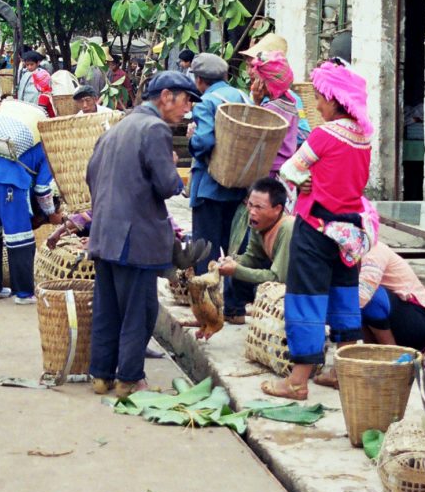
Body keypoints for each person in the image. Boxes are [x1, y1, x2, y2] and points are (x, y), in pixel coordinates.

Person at [264, 60, 373, 401]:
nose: (319, 105)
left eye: (321, 98)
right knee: (343, 295)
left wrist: (303, 181)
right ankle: (342, 370)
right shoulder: (364, 136)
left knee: (306, 299)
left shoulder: (324, 135)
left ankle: (297, 381)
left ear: (334, 98)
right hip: (349, 232)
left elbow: (290, 170)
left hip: (316, 227)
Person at [86, 71, 199, 398]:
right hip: (135, 237)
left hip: (106, 233)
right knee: (140, 308)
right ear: (166, 96)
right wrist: (175, 165)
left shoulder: (117, 127)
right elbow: (167, 185)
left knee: (107, 306)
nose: (187, 108)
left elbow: (90, 174)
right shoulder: (154, 129)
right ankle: (128, 379)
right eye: (185, 99)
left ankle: (101, 375)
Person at [0, 99, 61, 303]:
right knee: (20, 237)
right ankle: (24, 293)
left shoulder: (2, 138)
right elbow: (42, 189)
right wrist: (51, 213)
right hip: (8, 184)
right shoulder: (43, 147)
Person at [188, 53, 248, 271]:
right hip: (239, 186)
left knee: (205, 254)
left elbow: (204, 140)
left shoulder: (206, 102)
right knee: (236, 250)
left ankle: (208, 300)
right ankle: (237, 302)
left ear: (200, 81)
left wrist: (191, 141)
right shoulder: (244, 97)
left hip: (209, 188)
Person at [217, 176, 294, 322]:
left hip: (300, 288)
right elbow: (253, 257)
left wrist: (237, 270)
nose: (252, 211)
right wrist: (233, 261)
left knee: (257, 285)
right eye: (250, 205)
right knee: (235, 277)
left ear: (277, 209)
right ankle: (237, 312)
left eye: (259, 207)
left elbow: (278, 278)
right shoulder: (258, 222)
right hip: (281, 277)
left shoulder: (287, 228)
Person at [354, 240, 425, 358]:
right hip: (397, 319)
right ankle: (373, 354)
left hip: (417, 324)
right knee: (352, 299)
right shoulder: (351, 254)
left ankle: (391, 357)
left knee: (369, 299)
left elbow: (362, 296)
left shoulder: (374, 251)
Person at [247, 51, 300, 175]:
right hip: (285, 169)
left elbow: (254, 134)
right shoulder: (290, 105)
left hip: (271, 170)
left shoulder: (272, 109)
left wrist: (256, 102)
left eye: (258, 79)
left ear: (265, 83)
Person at [16, 50, 54, 115]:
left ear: (38, 63)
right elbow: (21, 90)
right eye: (27, 65)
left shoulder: (43, 74)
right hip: (25, 102)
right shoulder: (25, 74)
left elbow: (46, 90)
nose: (29, 67)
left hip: (38, 104)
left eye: (32, 64)